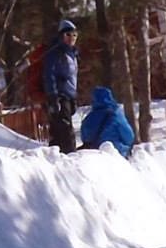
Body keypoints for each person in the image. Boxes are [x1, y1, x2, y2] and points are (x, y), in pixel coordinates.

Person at [42, 19, 80, 152]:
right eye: (68, 35)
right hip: (59, 97)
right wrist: (53, 97)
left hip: (68, 97)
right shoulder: (55, 52)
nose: (72, 38)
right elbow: (49, 74)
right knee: (65, 133)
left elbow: (72, 78)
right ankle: (70, 160)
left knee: (59, 134)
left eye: (74, 35)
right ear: (61, 36)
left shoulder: (72, 53)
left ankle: (56, 162)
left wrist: (74, 97)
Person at [79, 87, 135, 158]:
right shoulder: (116, 115)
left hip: (94, 154)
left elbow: (85, 138)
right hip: (116, 152)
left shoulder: (88, 118)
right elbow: (129, 137)